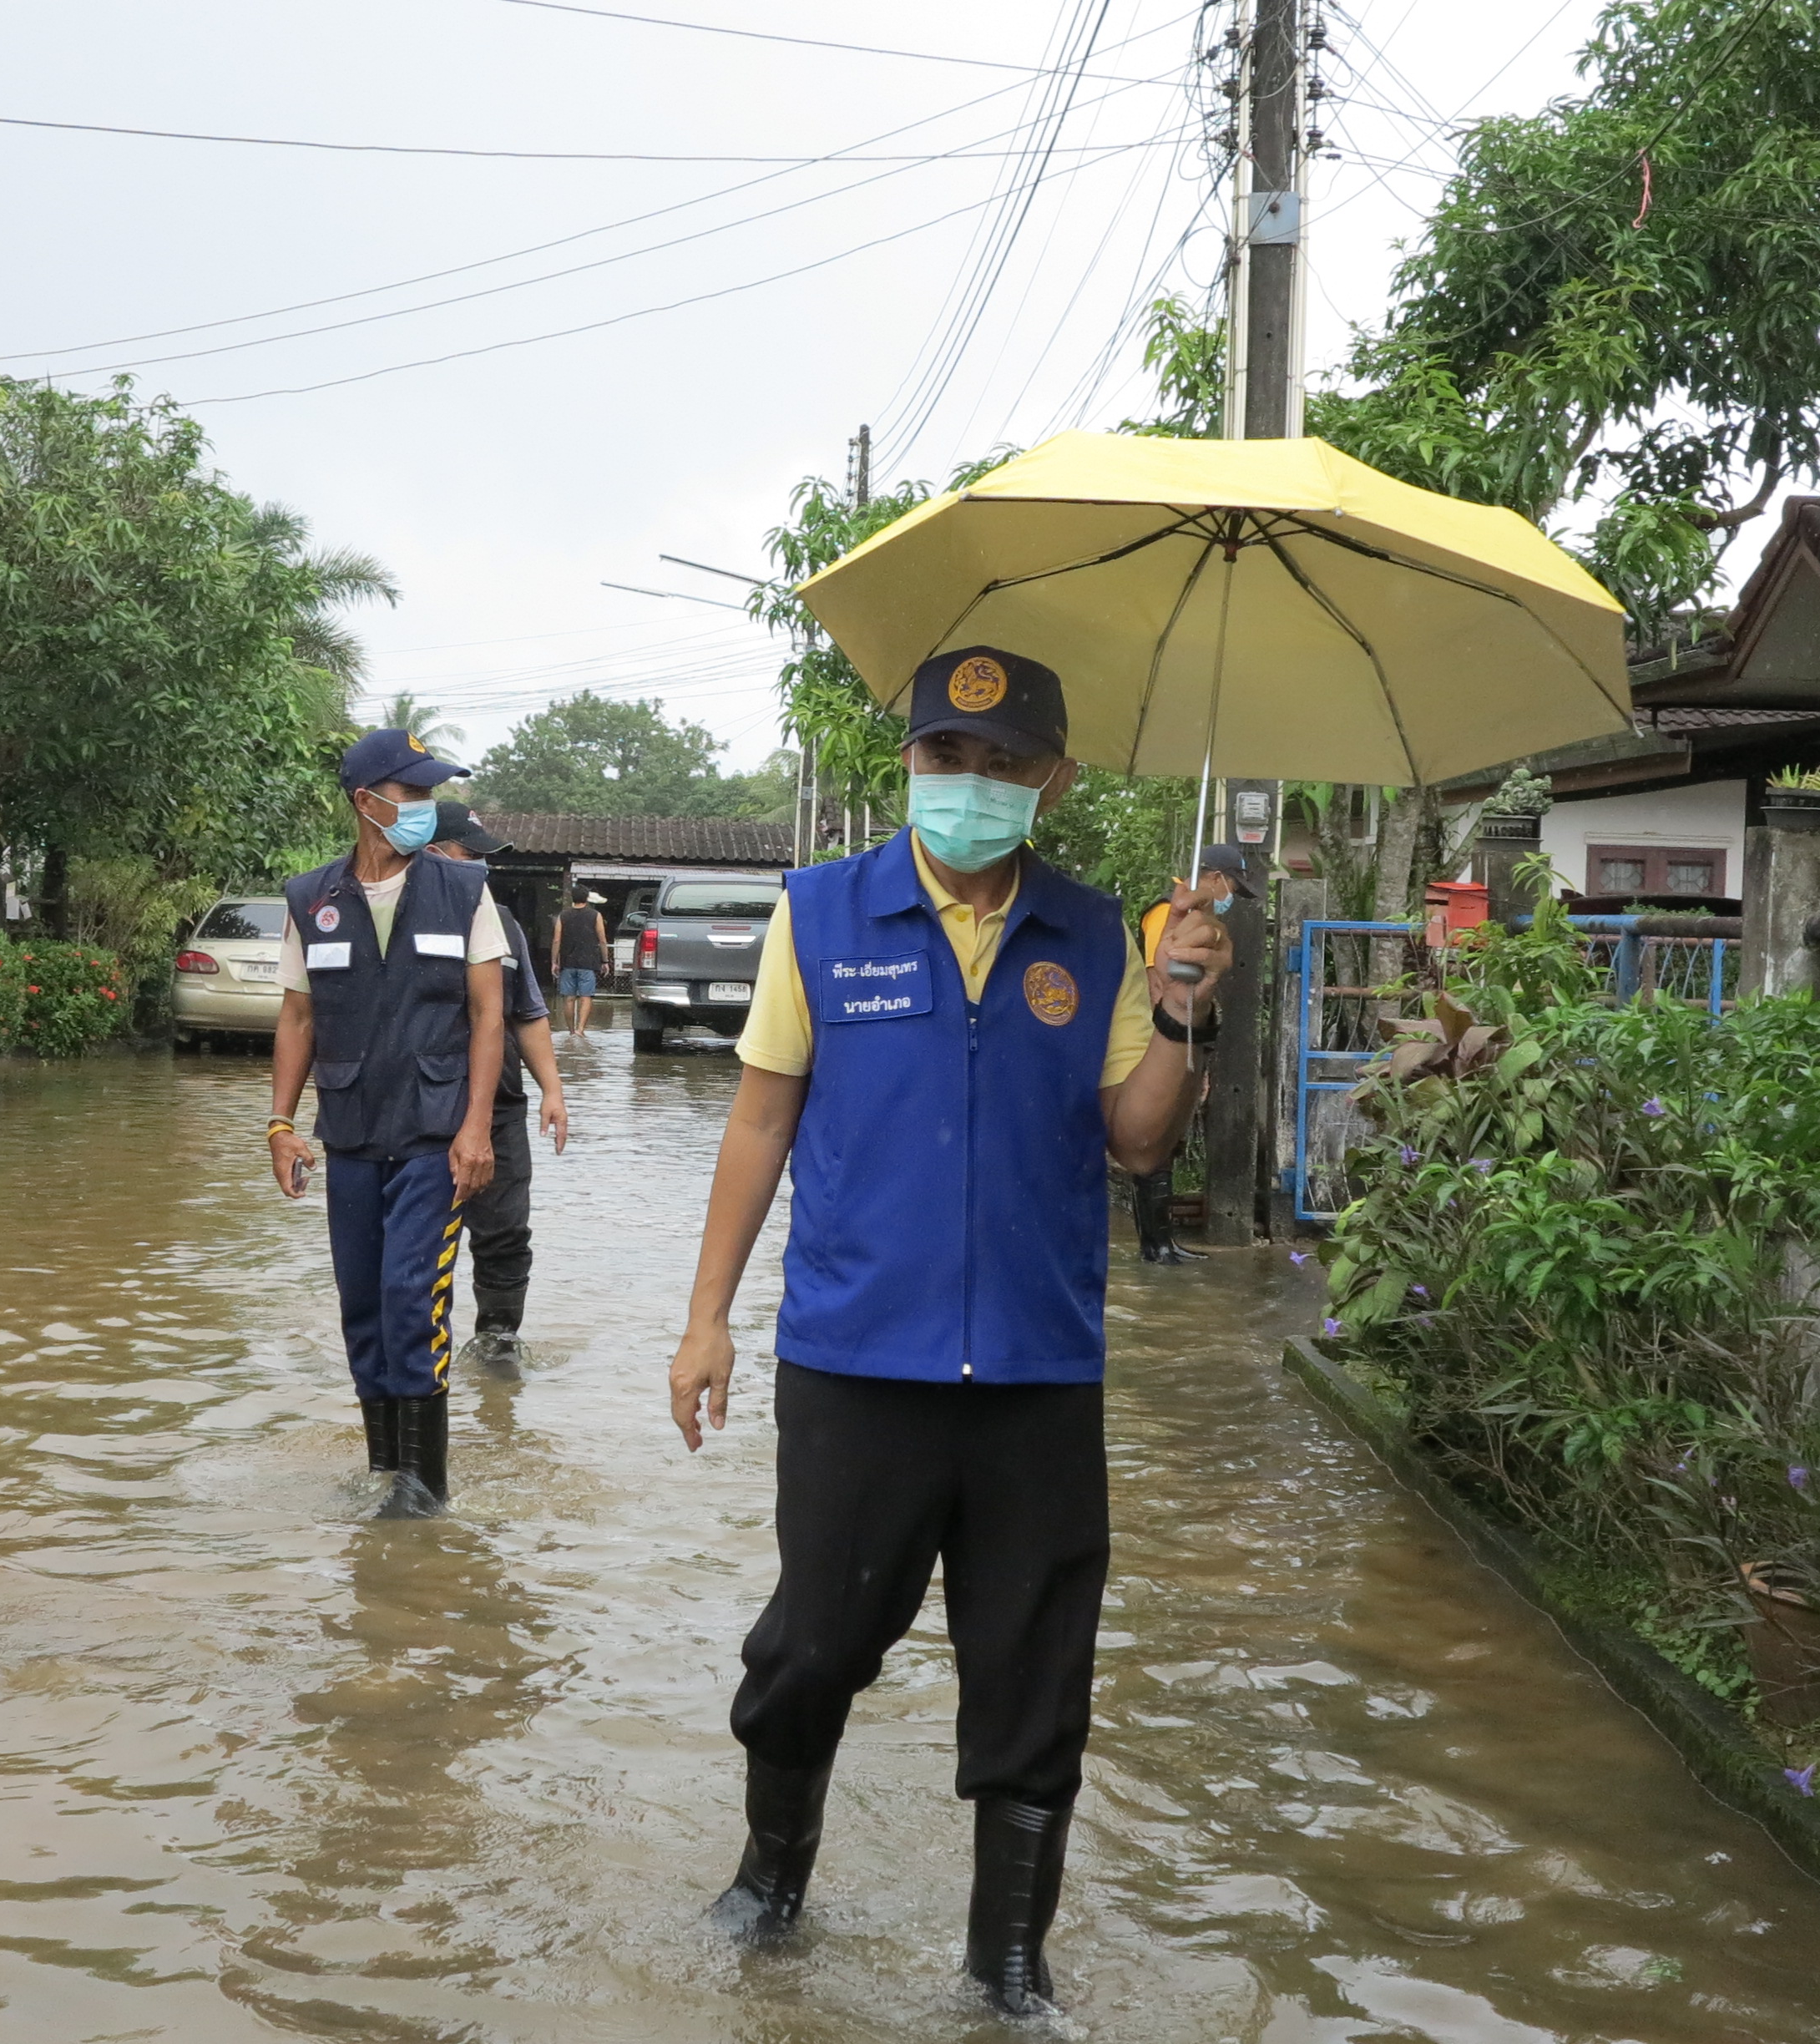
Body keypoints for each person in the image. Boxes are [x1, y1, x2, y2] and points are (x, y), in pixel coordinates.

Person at [664, 645, 1233, 2015]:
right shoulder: (821, 913)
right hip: (856, 1358)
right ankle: (771, 1873)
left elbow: (1138, 1140)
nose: (966, 784)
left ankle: (1009, 1957)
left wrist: (1179, 1007)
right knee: (812, 1642)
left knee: (1034, 1665)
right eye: (942, 757)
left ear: (1052, 778)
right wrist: (706, 1319)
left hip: (1037, 1368)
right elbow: (759, 1116)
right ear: (910, 764)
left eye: (997, 762)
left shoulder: (1099, 935)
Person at [266, 731, 510, 1516]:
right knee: (362, 1304)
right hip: (352, 1133)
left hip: (437, 1137)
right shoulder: (312, 899)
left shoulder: (466, 894)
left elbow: (489, 1017)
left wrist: (477, 1128)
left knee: (414, 1297)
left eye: (426, 794)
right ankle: (385, 1472)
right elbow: (298, 1017)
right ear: (366, 802)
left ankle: (424, 1486)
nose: (423, 808)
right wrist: (280, 1124)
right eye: (410, 794)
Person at [427, 801, 569, 1374]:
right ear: (433, 854)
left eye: (487, 858)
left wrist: (553, 1090)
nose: (483, 868)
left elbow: (527, 1013)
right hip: (427, 1106)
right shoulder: (404, 919)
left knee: (507, 1231)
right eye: (472, 855)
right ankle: (419, 1349)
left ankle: (497, 1339)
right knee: (423, 1238)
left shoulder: (504, 923)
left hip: (503, 1108)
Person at [1130, 842, 1248, 1264]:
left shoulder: (1198, 918)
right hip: (1155, 1039)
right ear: (1215, 877)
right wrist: (1180, 1053)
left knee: (1167, 1139)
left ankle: (1161, 1242)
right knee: (1157, 1136)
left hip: (1173, 1034)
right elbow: (1157, 982)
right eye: (1232, 885)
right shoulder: (1169, 912)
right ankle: (1156, 1246)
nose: (1231, 896)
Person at [554, 892, 610, 1041]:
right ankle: (580, 1030)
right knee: (586, 997)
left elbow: (556, 940)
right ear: (586, 899)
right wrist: (605, 961)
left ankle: (571, 1031)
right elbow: (602, 940)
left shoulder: (563, 915)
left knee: (569, 998)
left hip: (567, 963)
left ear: (573, 898)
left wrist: (554, 961)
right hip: (588, 963)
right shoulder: (595, 915)